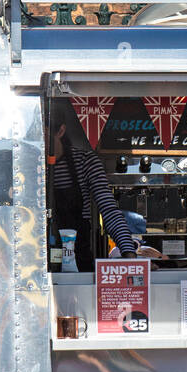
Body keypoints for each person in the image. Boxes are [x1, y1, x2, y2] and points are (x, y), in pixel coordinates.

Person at [48, 101, 140, 270]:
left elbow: (109, 209)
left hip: (77, 258)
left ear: (60, 131)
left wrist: (129, 255)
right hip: (41, 258)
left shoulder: (85, 161)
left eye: (45, 137)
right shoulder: (31, 167)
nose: (41, 146)